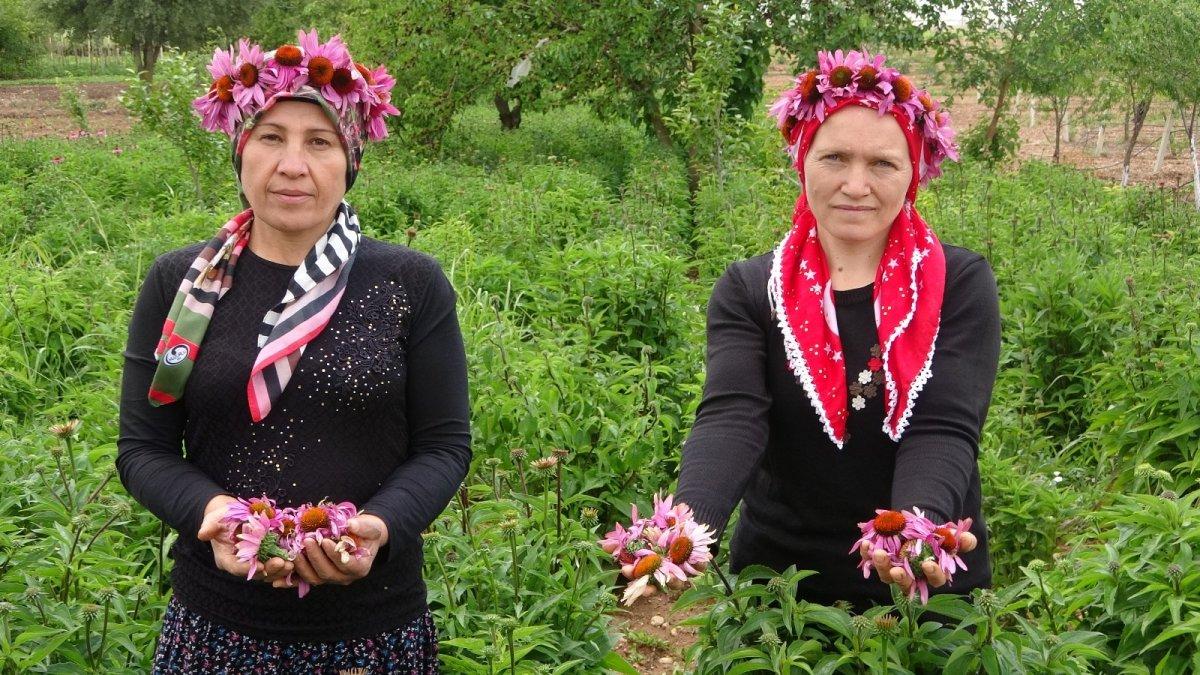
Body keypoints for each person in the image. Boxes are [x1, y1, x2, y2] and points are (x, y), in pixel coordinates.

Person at [117, 31, 468, 673]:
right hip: (216, 625)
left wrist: (380, 527)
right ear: (240, 151)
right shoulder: (181, 285)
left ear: (350, 159)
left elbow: (444, 447)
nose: (292, 164)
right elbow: (144, 449)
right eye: (271, 137)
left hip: (371, 626)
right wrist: (211, 513)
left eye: (320, 142)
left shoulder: (410, 283)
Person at [675, 49, 998, 610]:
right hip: (781, 591)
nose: (856, 184)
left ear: (913, 174)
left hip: (924, 594)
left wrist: (913, 537)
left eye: (883, 164)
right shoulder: (751, 289)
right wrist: (686, 530)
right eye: (834, 158)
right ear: (803, 162)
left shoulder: (957, 283)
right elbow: (733, 416)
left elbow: (943, 426)